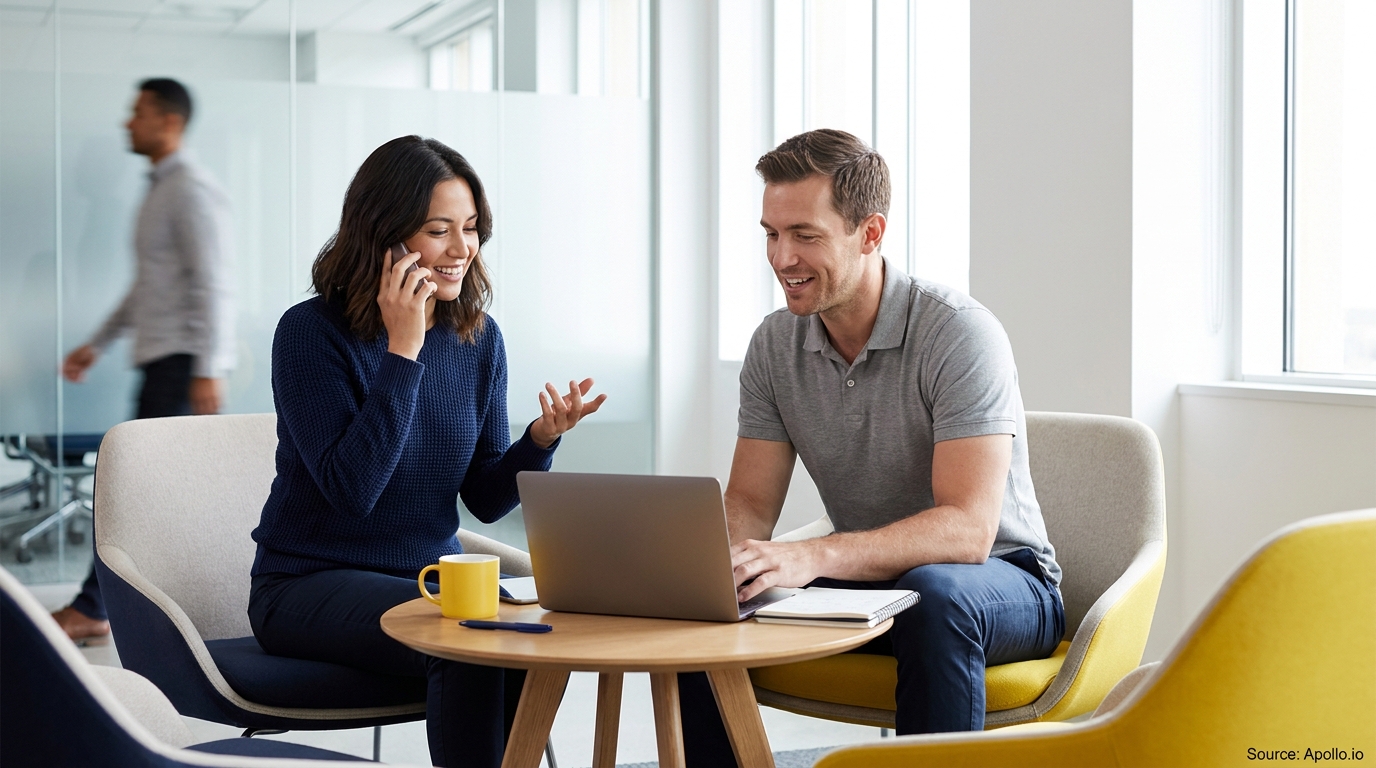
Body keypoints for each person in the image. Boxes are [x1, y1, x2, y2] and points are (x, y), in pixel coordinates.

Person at [678, 129, 1064, 765]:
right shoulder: (776, 346)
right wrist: (716, 568)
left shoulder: (958, 334)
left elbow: (968, 531)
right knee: (710, 600)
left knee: (934, 595)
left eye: (805, 235)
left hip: (1000, 581)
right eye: (771, 234)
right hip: (870, 582)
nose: (781, 257)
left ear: (871, 233)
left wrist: (812, 555)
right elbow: (748, 502)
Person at [246, 136, 605, 768]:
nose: (462, 249)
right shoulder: (308, 333)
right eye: (440, 230)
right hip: (305, 584)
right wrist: (402, 351)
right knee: (465, 640)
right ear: (383, 235)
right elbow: (352, 492)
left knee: (537, 631)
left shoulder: (477, 337)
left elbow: (486, 500)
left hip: (433, 583)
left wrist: (539, 441)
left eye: (470, 229)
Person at [54, 77, 235, 642]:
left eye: (138, 113)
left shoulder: (189, 190)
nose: (127, 123)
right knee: (153, 491)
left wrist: (209, 366)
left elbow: (215, 282)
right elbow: (148, 288)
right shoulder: (160, 190)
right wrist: (99, 341)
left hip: (181, 363)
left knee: (128, 487)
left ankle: (95, 607)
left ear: (169, 121)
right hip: (166, 360)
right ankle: (121, 605)